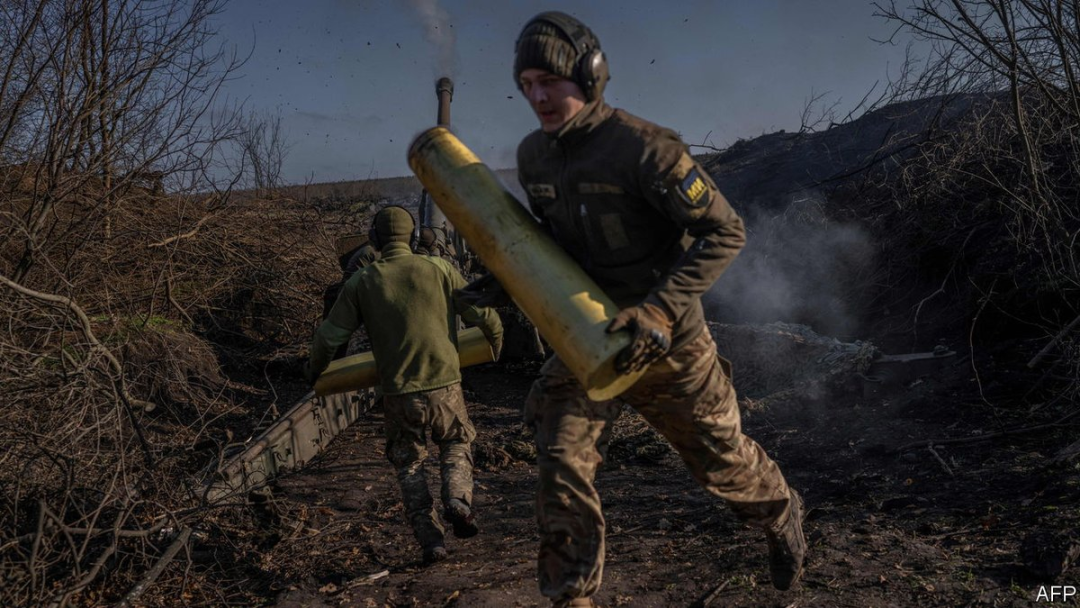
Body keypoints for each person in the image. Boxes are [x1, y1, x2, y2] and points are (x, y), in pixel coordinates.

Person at [463, 12, 806, 606]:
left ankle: (780, 515)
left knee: (724, 468)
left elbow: (725, 232)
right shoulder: (534, 157)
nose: (538, 96)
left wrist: (658, 310)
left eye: (550, 79)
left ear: (591, 75)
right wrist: (500, 282)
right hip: (584, 339)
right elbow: (552, 244)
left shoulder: (645, 147)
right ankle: (572, 595)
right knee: (561, 458)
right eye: (526, 85)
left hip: (666, 342)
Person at [306, 205, 504, 564]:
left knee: (409, 464)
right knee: (457, 443)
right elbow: (483, 313)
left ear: (375, 240)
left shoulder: (361, 281)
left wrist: (315, 372)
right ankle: (457, 499)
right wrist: (495, 340)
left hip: (398, 393)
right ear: (413, 237)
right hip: (445, 386)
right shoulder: (440, 269)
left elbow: (328, 338)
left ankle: (431, 541)